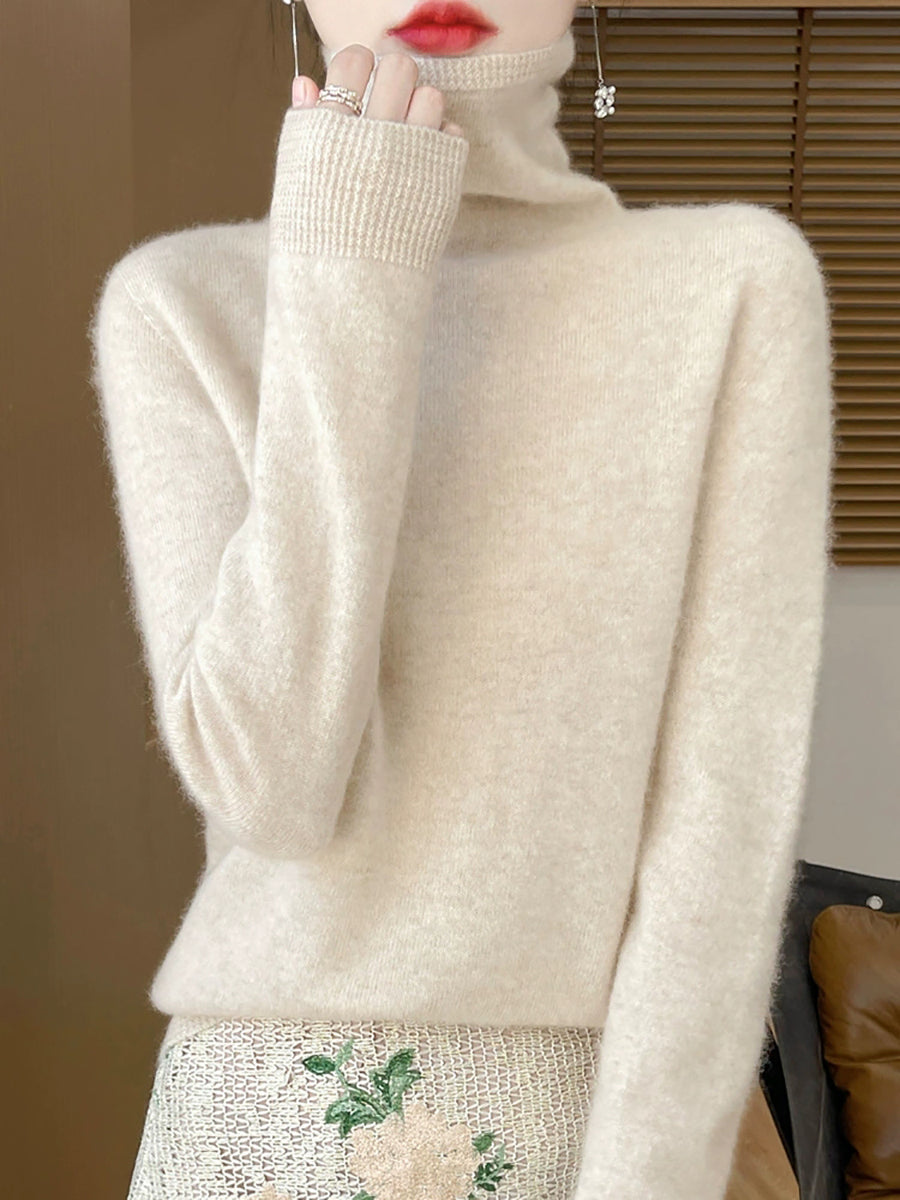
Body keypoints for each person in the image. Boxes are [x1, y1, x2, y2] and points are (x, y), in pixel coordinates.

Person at [88, 1, 835, 1198]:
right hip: (248, 1125)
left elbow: (723, 824)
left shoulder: (732, 286)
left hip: (577, 1128)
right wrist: (350, 273)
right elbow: (272, 788)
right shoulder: (180, 303)